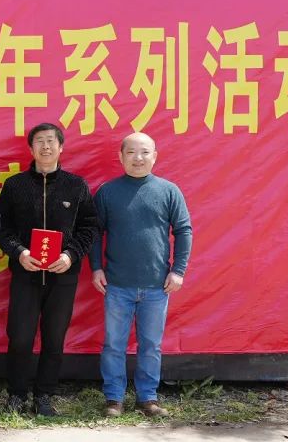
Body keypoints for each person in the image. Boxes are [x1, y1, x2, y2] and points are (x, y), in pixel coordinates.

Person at [0, 122, 98, 416]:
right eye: (39, 141)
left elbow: (89, 228)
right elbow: (3, 228)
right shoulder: (15, 185)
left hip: (62, 276)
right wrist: (19, 252)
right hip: (25, 274)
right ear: (31, 148)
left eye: (51, 141)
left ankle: (44, 396)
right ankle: (17, 394)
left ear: (61, 147)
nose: (45, 146)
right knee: (20, 337)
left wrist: (70, 255)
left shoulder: (76, 186)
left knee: (54, 339)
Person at [90, 132, 192, 418]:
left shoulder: (169, 191)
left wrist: (178, 270)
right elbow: (95, 233)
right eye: (131, 152)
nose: (138, 158)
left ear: (154, 156)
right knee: (114, 345)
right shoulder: (108, 192)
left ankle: (147, 397)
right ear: (121, 157)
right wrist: (96, 267)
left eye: (145, 152)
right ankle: (114, 398)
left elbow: (183, 230)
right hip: (116, 285)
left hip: (157, 286)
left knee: (151, 345)